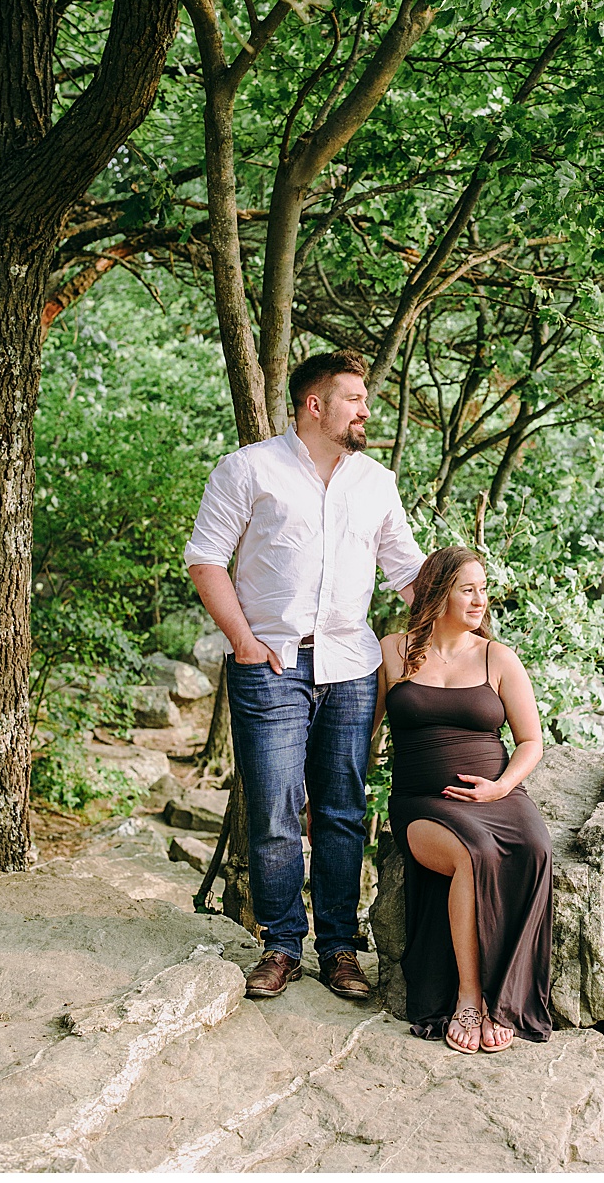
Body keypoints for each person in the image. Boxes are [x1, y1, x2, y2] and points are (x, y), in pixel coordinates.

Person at [185, 349, 426, 1002]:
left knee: (344, 809)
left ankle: (340, 949)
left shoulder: (376, 480)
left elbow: (407, 572)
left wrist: (463, 622)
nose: (365, 409)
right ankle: (283, 943)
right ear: (314, 404)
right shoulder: (249, 469)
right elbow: (205, 558)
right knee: (272, 808)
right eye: (353, 397)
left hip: (351, 667)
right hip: (271, 664)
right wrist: (241, 639)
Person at [372, 546, 551, 1053]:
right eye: (467, 589)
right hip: (422, 802)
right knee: (474, 854)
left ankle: (503, 1003)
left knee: (535, 849)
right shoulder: (393, 650)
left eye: (483, 588)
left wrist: (501, 787)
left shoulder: (498, 657)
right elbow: (363, 735)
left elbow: (531, 742)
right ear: (437, 592)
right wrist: (330, 798)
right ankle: (469, 1001)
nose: (480, 600)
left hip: (497, 796)